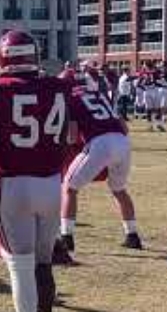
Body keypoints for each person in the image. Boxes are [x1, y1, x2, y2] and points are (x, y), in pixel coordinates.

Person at [0, 30, 70, 312]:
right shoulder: (58, 87)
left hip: (12, 183)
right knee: (43, 264)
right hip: (51, 184)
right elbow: (64, 140)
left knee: (20, 267)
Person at [61, 80, 143, 252]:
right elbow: (125, 128)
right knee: (119, 190)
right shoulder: (99, 95)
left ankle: (66, 237)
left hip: (100, 142)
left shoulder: (71, 98)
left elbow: (72, 136)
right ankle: (132, 235)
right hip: (122, 141)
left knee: (70, 188)